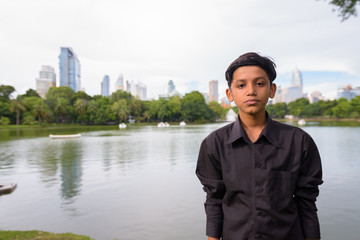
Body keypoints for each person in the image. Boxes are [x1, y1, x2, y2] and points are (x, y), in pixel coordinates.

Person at [196, 52, 323, 240]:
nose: (251, 91)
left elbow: (307, 204)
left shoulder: (299, 142)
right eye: (241, 85)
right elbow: (214, 201)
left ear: (272, 90)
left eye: (260, 83)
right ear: (230, 94)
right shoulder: (214, 144)